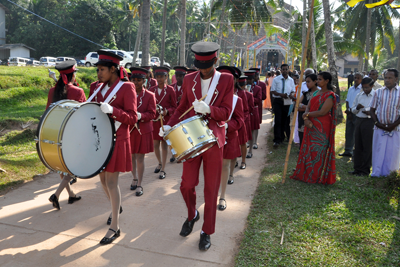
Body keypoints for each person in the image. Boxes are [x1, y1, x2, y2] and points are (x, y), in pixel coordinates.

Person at [159, 42, 233, 251]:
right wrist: (169, 125)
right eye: (199, 66)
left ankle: (206, 231)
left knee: (211, 189)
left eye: (207, 66)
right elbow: (182, 107)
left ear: (215, 61)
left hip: (213, 139)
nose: (202, 70)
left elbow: (226, 112)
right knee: (187, 184)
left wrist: (209, 109)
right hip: (191, 136)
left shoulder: (226, 79)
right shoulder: (190, 78)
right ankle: (192, 214)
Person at [89, 50, 138, 245]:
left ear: (113, 69)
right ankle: (116, 206)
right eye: (98, 69)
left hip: (117, 138)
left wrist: (113, 111)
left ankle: (115, 227)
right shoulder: (96, 88)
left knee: (111, 182)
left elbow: (132, 117)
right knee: (102, 180)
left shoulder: (127, 88)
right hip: (100, 139)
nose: (98, 73)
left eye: (102, 69)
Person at [47, 60, 86, 210]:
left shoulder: (52, 91)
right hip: (73, 134)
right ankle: (56, 194)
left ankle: (71, 195)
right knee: (72, 167)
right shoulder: (78, 91)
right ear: (73, 75)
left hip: (56, 133)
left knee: (63, 165)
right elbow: (84, 114)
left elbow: (48, 113)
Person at [291, 71, 337, 185]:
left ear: (327, 81)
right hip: (310, 124)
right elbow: (309, 108)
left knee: (319, 150)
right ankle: (308, 173)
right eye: (317, 79)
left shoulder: (330, 95)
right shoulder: (316, 93)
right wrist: (306, 118)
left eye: (320, 79)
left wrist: (306, 115)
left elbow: (323, 112)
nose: (318, 81)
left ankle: (316, 176)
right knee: (309, 149)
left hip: (322, 126)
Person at [215, 66, 244, 210]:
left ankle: (222, 196)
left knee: (225, 166)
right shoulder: (212, 98)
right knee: (213, 167)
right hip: (213, 138)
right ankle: (212, 193)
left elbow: (240, 120)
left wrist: (226, 126)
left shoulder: (236, 100)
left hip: (229, 136)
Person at [129, 67, 157, 195]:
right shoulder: (127, 94)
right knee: (131, 156)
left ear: (144, 81)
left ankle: (139, 183)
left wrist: (140, 116)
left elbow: (152, 114)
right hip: (129, 129)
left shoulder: (150, 95)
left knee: (140, 157)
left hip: (143, 130)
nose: (136, 83)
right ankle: (134, 178)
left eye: (139, 80)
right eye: (133, 80)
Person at [369, 69, 400, 177]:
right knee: (379, 150)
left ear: (396, 79)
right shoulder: (378, 92)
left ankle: (390, 173)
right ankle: (376, 173)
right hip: (380, 128)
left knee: (393, 152)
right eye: (386, 77)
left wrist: (393, 125)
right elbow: (372, 110)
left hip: (395, 129)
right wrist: (377, 123)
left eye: (390, 78)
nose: (387, 80)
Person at [148, 66, 177, 179]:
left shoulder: (170, 90)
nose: (159, 79)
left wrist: (167, 111)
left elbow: (174, 107)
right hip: (155, 121)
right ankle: (159, 162)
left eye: (162, 77)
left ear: (166, 77)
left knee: (164, 145)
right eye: (157, 77)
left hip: (165, 121)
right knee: (155, 144)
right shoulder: (152, 90)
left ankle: (163, 169)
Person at [348, 77, 375, 176]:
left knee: (367, 146)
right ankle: (357, 168)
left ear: (372, 86)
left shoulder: (376, 95)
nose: (365, 89)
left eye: (367, 87)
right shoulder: (359, 95)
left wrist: (371, 112)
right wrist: (357, 108)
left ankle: (365, 170)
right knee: (358, 145)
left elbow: (379, 109)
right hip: (359, 120)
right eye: (363, 87)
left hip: (369, 121)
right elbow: (353, 109)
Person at [270, 64, 296, 147]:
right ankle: (277, 139)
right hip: (278, 101)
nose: (284, 71)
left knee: (286, 120)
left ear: (288, 70)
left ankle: (285, 137)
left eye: (286, 69)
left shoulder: (291, 80)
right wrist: (281, 95)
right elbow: (273, 91)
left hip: (287, 101)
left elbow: (293, 90)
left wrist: (291, 95)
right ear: (280, 70)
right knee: (278, 120)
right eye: (283, 69)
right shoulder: (276, 79)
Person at [339, 72, 362, 157]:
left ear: (361, 79)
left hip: (357, 113)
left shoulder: (362, 89)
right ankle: (348, 150)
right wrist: (348, 110)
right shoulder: (351, 88)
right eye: (355, 78)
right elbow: (348, 100)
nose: (356, 79)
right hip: (349, 112)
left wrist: (353, 111)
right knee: (349, 132)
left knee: (356, 133)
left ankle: (355, 151)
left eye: (358, 78)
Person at [297, 74, 319, 148]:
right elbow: (297, 106)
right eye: (306, 82)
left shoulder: (319, 94)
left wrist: (302, 106)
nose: (307, 84)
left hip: (314, 119)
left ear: (315, 81)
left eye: (309, 82)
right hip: (303, 118)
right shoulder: (305, 94)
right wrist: (307, 107)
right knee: (302, 137)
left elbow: (318, 109)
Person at [244, 70, 261, 156]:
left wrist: (251, 98)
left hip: (254, 109)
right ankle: (247, 143)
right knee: (247, 129)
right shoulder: (242, 89)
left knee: (254, 127)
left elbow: (259, 100)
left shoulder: (258, 88)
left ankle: (254, 143)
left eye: (250, 79)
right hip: (245, 110)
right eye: (247, 79)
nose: (248, 81)